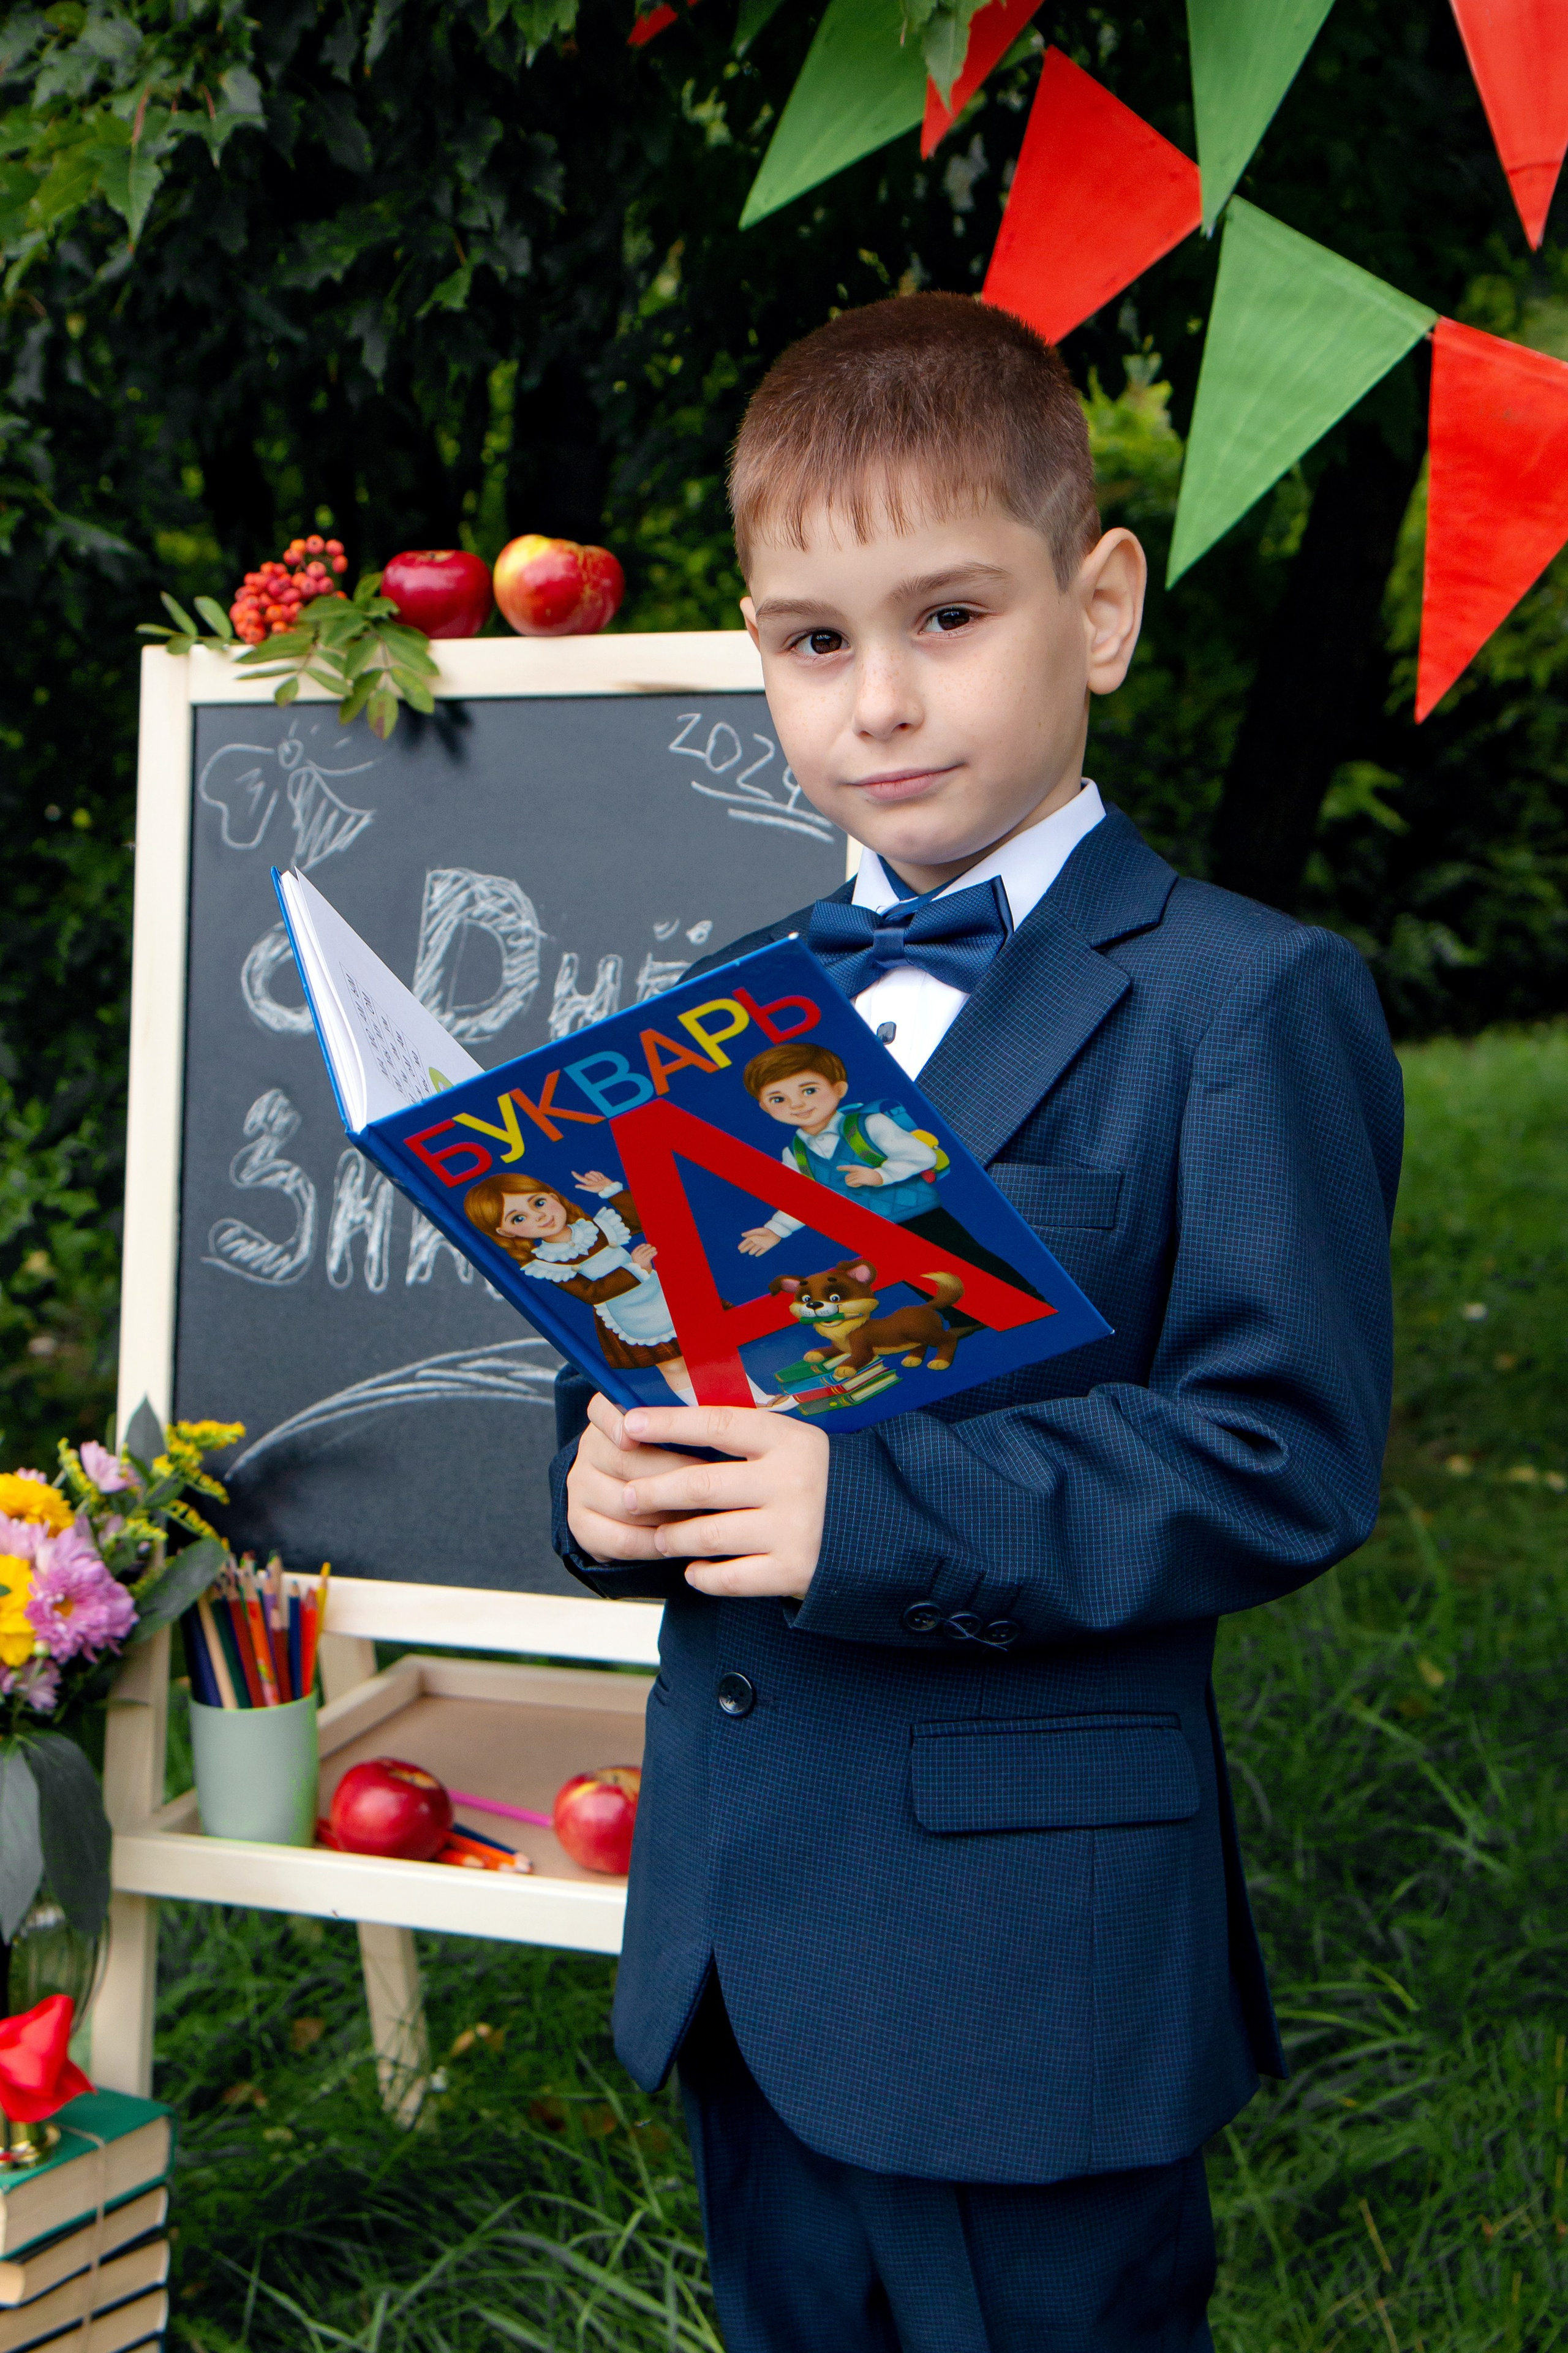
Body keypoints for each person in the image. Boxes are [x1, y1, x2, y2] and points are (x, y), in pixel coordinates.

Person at [549, 292, 1403, 2352]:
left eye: (949, 617)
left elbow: (1278, 1455)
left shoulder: (1240, 1001)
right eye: (816, 641)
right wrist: (599, 1474)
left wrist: (880, 1520)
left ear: (1096, 608)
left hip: (1031, 1971)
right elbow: (656, 1352)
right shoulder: (741, 999)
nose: (881, 700)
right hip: (749, 1929)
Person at [735, 1040, 1033, 1305]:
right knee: (917, 1275)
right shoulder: (795, 1153)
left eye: (809, 1090)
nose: (797, 1104)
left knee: (967, 1257)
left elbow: (921, 1155)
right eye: (778, 1099)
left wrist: (881, 1175)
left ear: (839, 1089)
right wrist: (776, 1230)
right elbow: (802, 1200)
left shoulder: (869, 1124)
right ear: (764, 1107)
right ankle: (964, 1319)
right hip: (869, 1229)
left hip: (916, 1211)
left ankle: (1025, 1300)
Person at [463, 1171, 793, 1409]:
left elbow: (643, 1215)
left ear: (553, 1196)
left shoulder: (596, 1227)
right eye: (519, 1218)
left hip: (662, 1296)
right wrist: (636, 1268)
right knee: (673, 1365)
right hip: (628, 1315)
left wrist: (611, 1190)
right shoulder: (547, 1261)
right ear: (504, 1231)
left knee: (712, 1349)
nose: (540, 1216)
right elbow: (591, 1293)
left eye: (538, 1202)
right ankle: (709, 1412)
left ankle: (758, 1399)